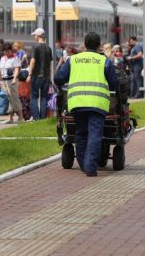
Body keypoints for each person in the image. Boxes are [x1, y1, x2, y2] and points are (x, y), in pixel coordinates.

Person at [54, 32, 118, 177]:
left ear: (84, 44)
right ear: (98, 46)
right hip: (97, 104)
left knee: (81, 133)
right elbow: (114, 83)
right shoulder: (104, 61)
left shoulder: (73, 60)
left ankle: (84, 165)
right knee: (95, 135)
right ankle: (90, 167)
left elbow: (58, 79)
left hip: (77, 103)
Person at [27, 28, 53, 121]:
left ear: (38, 36)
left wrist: (29, 74)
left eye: (35, 35)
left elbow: (33, 60)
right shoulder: (49, 48)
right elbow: (49, 64)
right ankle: (43, 118)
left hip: (36, 75)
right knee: (44, 97)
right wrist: (49, 77)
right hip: (46, 76)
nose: (34, 37)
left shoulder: (35, 47)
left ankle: (36, 118)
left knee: (33, 97)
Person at [0, 43, 24, 124]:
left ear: (11, 50)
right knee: (8, 99)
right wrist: (0, 80)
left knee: (14, 98)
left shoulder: (15, 58)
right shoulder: (2, 58)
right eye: (5, 51)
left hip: (11, 80)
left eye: (8, 51)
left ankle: (21, 117)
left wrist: (14, 78)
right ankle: (10, 117)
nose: (6, 53)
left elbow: (16, 69)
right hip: (4, 80)